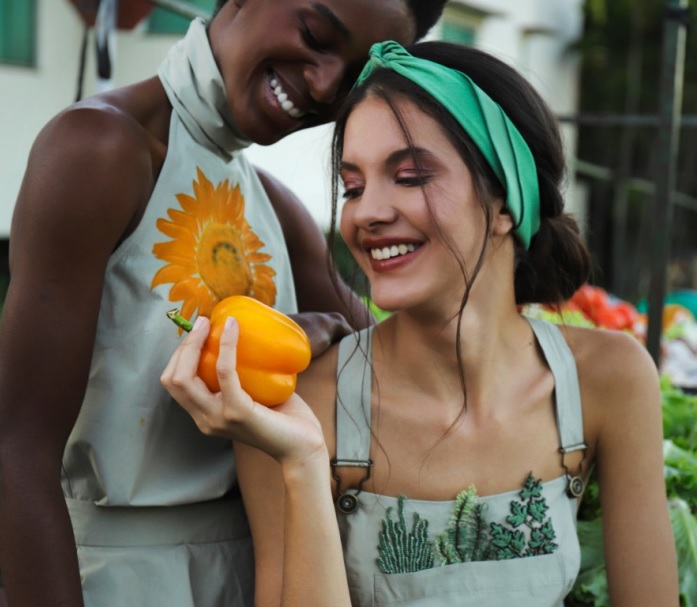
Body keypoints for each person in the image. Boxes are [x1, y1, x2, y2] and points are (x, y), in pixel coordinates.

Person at [162, 40, 680, 606]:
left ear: (505, 203)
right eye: (353, 186)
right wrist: (304, 463)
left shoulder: (609, 379)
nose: (367, 213)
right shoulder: (299, 402)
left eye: (409, 176)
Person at [0, 2, 447, 606]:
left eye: (353, 77)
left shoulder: (277, 208)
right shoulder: (97, 151)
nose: (323, 85)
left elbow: (403, 376)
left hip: (262, 578)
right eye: (315, 35)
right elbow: (16, 448)